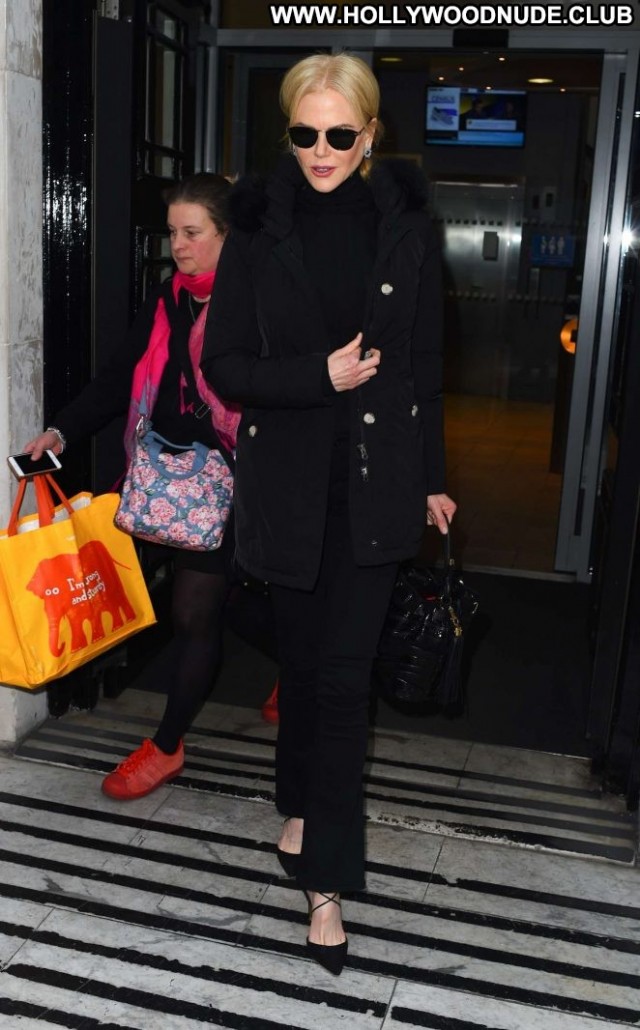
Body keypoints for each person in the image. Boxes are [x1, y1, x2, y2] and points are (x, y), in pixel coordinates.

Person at [201, 53, 456, 976]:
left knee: (345, 684)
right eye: (304, 132)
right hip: (292, 487)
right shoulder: (256, 229)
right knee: (305, 671)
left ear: (370, 133)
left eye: (339, 134)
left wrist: (432, 477)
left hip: (378, 485)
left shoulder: (407, 229)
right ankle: (298, 804)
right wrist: (319, 376)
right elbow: (224, 365)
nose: (320, 150)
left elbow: (424, 365)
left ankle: (326, 887)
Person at [24, 173, 239, 801]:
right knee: (218, 597)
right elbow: (121, 374)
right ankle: (298, 666)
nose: (179, 246)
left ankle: (167, 746)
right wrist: (63, 429)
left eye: (193, 232)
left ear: (228, 235)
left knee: (194, 609)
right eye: (172, 233)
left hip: (232, 478)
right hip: (160, 475)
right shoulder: (168, 298)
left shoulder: (255, 300)